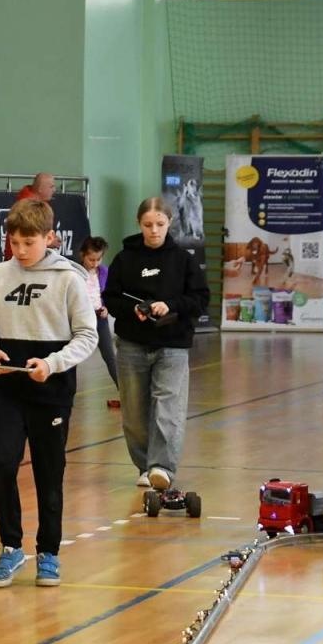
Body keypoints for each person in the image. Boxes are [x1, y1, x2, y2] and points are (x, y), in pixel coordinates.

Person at [0, 199, 97, 588]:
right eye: (14, 243)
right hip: (7, 390)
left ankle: (49, 552)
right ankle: (11, 547)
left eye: (29, 243)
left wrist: (53, 363)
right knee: (4, 465)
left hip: (52, 392)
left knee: (49, 471)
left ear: (49, 238)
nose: (20, 250)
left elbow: (87, 336)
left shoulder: (69, 279)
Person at [102, 197, 209, 492]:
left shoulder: (184, 260)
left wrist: (170, 305)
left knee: (167, 407)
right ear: (139, 224)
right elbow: (111, 298)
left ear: (169, 223)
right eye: (148, 225)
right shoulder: (124, 259)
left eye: (160, 224)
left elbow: (200, 299)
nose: (154, 231)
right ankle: (144, 465)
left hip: (172, 345)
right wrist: (131, 310)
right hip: (132, 345)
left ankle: (162, 467)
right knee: (134, 412)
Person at [77, 236, 120, 404]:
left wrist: (106, 308)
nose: (95, 263)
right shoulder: (75, 273)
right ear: (82, 256)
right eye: (91, 259)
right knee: (70, 357)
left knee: (110, 356)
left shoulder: (104, 272)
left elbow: (109, 295)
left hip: (98, 318)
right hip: (79, 320)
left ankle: (124, 393)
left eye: (98, 259)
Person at [3, 173, 56, 259]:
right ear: (40, 189)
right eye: (51, 187)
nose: (54, 190)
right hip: (20, 261)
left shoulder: (33, 204)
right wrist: (47, 241)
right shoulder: (27, 207)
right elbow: (28, 236)